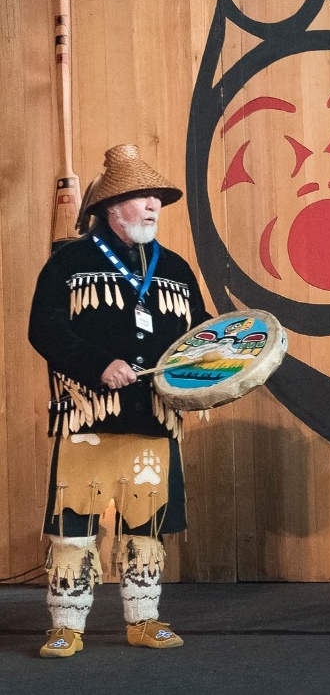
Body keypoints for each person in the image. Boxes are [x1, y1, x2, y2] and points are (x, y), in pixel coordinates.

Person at [28, 144, 211, 658]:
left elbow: (200, 338)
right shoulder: (69, 262)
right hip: (89, 419)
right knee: (74, 529)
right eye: (142, 198)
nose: (153, 206)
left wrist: (206, 383)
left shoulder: (174, 267)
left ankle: (144, 619)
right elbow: (44, 329)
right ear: (111, 207)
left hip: (152, 421)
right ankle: (66, 624)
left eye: (157, 198)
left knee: (146, 529)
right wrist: (97, 364)